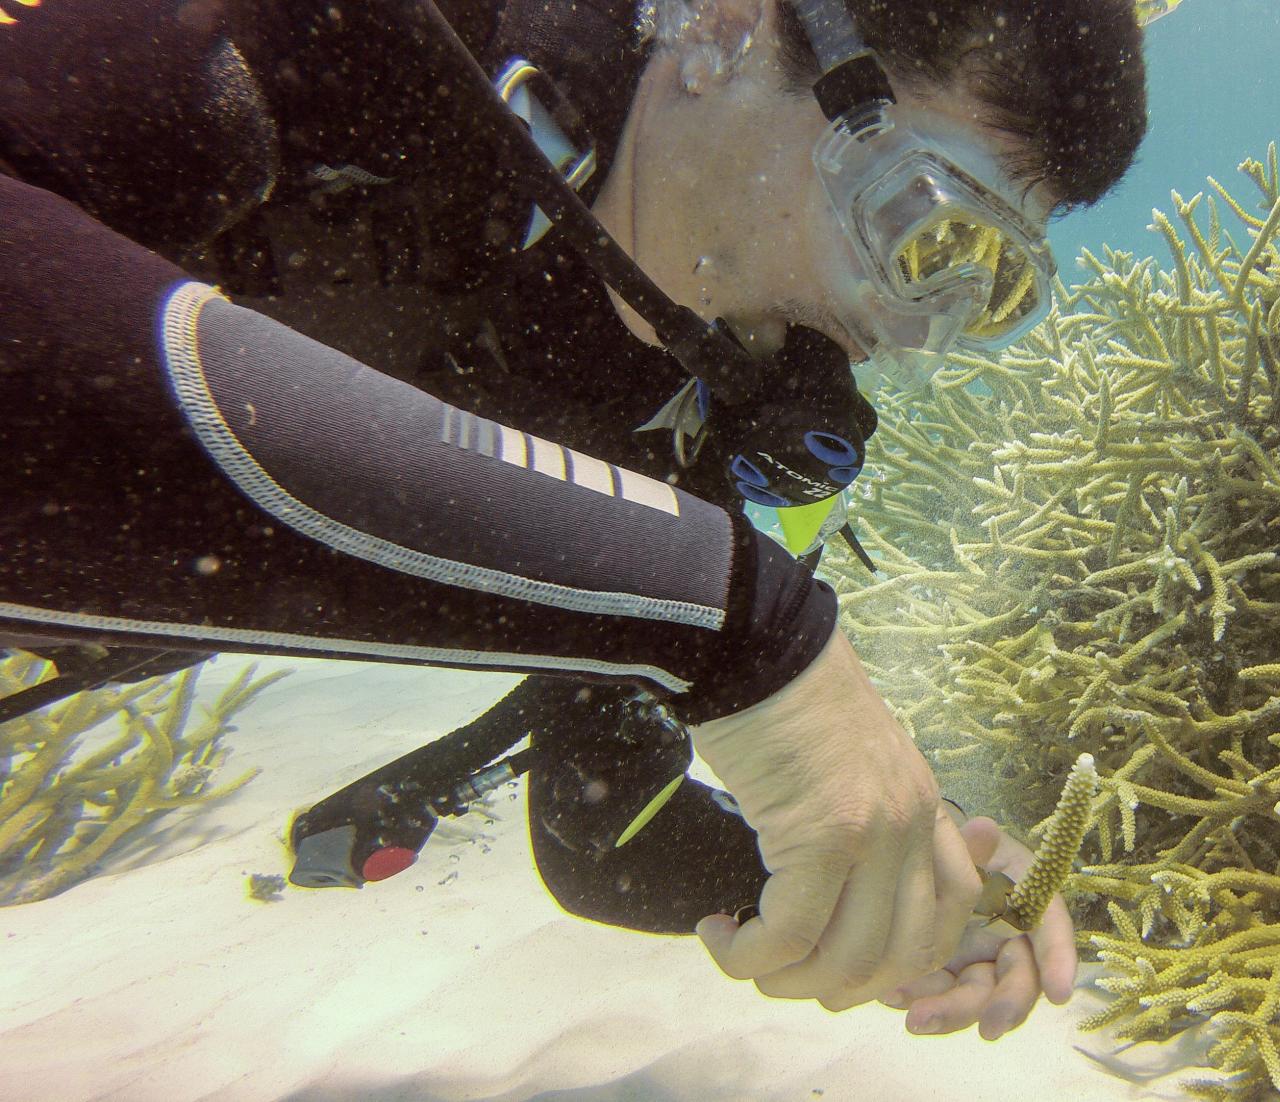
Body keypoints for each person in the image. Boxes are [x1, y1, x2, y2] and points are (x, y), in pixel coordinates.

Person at [0, 0, 1146, 1041]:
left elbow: (605, 825)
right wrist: (733, 625)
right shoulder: (345, 40)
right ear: (726, 30)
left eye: (981, 284)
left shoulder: (662, 405)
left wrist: (870, 881)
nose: (904, 329)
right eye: (919, 221)